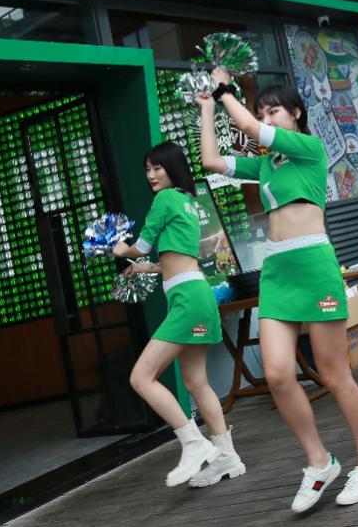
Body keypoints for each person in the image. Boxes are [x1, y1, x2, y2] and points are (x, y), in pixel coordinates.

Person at [197, 74, 358, 512]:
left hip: (314, 267)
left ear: (296, 113)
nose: (266, 119)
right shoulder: (266, 164)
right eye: (262, 113)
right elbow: (210, 161)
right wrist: (208, 108)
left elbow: (249, 128)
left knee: (334, 374)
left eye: (274, 111)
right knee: (278, 374)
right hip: (276, 271)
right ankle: (319, 462)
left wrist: (226, 92)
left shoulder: (309, 148)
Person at [112, 142, 243, 489]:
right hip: (195, 294)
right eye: (147, 169)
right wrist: (146, 268)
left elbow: (140, 245)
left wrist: (120, 249)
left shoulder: (165, 199)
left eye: (157, 167)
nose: (151, 175)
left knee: (141, 378)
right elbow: (178, 259)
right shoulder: (187, 201)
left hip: (186, 300)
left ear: (172, 167)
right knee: (196, 382)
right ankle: (227, 457)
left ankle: (193, 442)